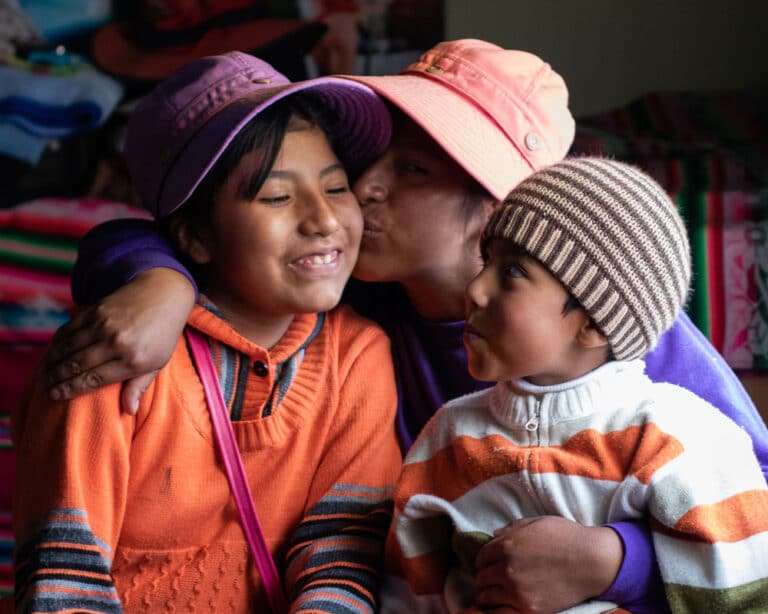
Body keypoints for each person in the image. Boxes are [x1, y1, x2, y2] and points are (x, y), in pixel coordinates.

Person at [37, 40, 768, 613]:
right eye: (372, 157)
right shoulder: (359, 299)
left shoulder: (623, 338)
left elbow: (753, 521)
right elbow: (183, 231)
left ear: (497, 207)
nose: (363, 187)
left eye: (413, 169)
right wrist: (153, 279)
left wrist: (618, 560)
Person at [10, 51, 403, 612]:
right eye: (276, 197)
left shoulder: (358, 355)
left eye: (336, 188)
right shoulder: (117, 354)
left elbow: (339, 550)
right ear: (195, 237)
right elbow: (64, 578)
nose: (323, 219)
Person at [383, 157, 768, 613]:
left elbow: (741, 592)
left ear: (595, 323)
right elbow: (409, 592)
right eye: (487, 261)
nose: (476, 289)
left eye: (511, 273)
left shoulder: (676, 435)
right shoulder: (448, 434)